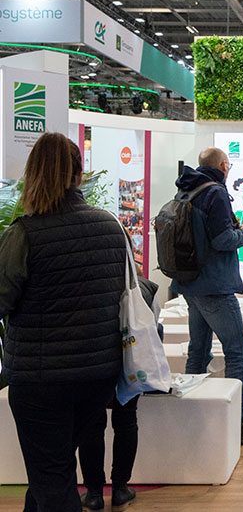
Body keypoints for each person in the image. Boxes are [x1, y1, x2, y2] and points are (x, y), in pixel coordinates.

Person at [0, 133, 126, 512]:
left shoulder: (24, 234)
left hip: (41, 380)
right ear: (79, 172)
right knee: (48, 474)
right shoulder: (110, 226)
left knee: (52, 479)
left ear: (32, 172)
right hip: (97, 374)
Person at [174, 147, 243, 445]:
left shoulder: (187, 188)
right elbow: (222, 239)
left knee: (198, 352)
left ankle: (188, 415)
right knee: (237, 352)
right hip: (215, 285)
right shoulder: (215, 193)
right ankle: (240, 422)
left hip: (190, 284)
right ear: (223, 166)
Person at [77, 274, 161, 512]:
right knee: (126, 422)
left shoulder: (85, 283)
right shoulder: (144, 287)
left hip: (92, 360)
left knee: (92, 425)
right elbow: (153, 327)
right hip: (129, 363)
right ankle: (120, 489)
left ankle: (93, 493)